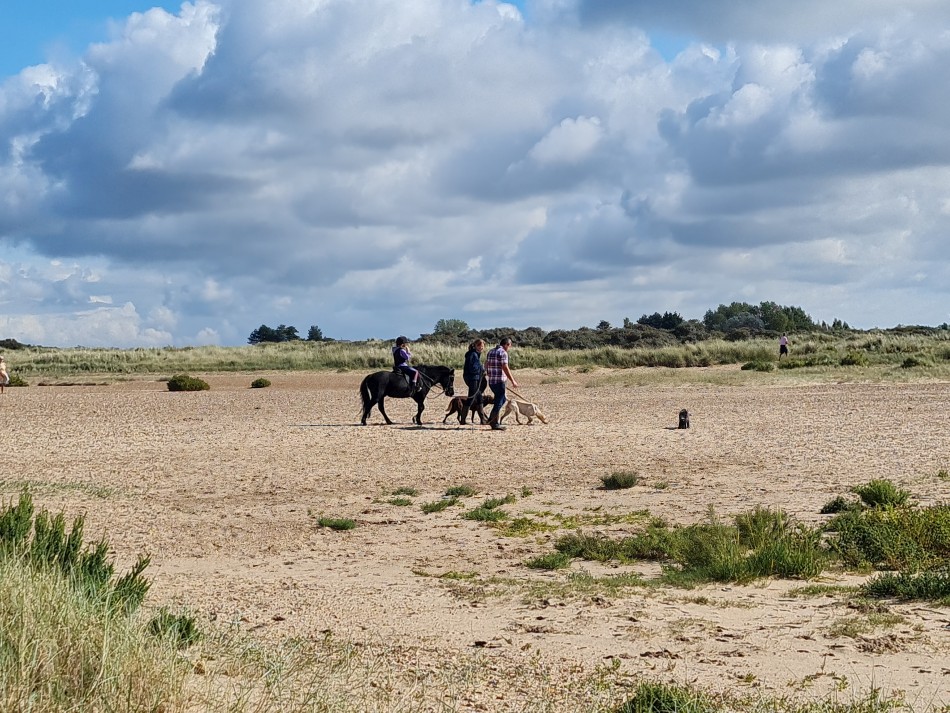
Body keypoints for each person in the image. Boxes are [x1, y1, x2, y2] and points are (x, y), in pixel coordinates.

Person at [485, 337, 518, 431]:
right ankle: (493, 420)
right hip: (499, 380)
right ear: (506, 344)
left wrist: (487, 372)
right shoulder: (503, 352)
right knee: (500, 400)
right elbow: (505, 367)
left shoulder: (491, 351)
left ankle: (494, 420)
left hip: (491, 380)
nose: (509, 347)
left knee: (501, 399)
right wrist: (512, 380)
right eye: (509, 345)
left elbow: (486, 363)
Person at [458, 339, 486, 425]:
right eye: (480, 346)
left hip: (474, 377)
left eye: (483, 346)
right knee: (471, 397)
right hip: (472, 378)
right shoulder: (473, 354)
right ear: (476, 346)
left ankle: (482, 419)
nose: (482, 348)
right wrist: (482, 370)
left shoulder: (475, 354)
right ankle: (463, 419)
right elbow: (473, 368)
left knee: (479, 397)